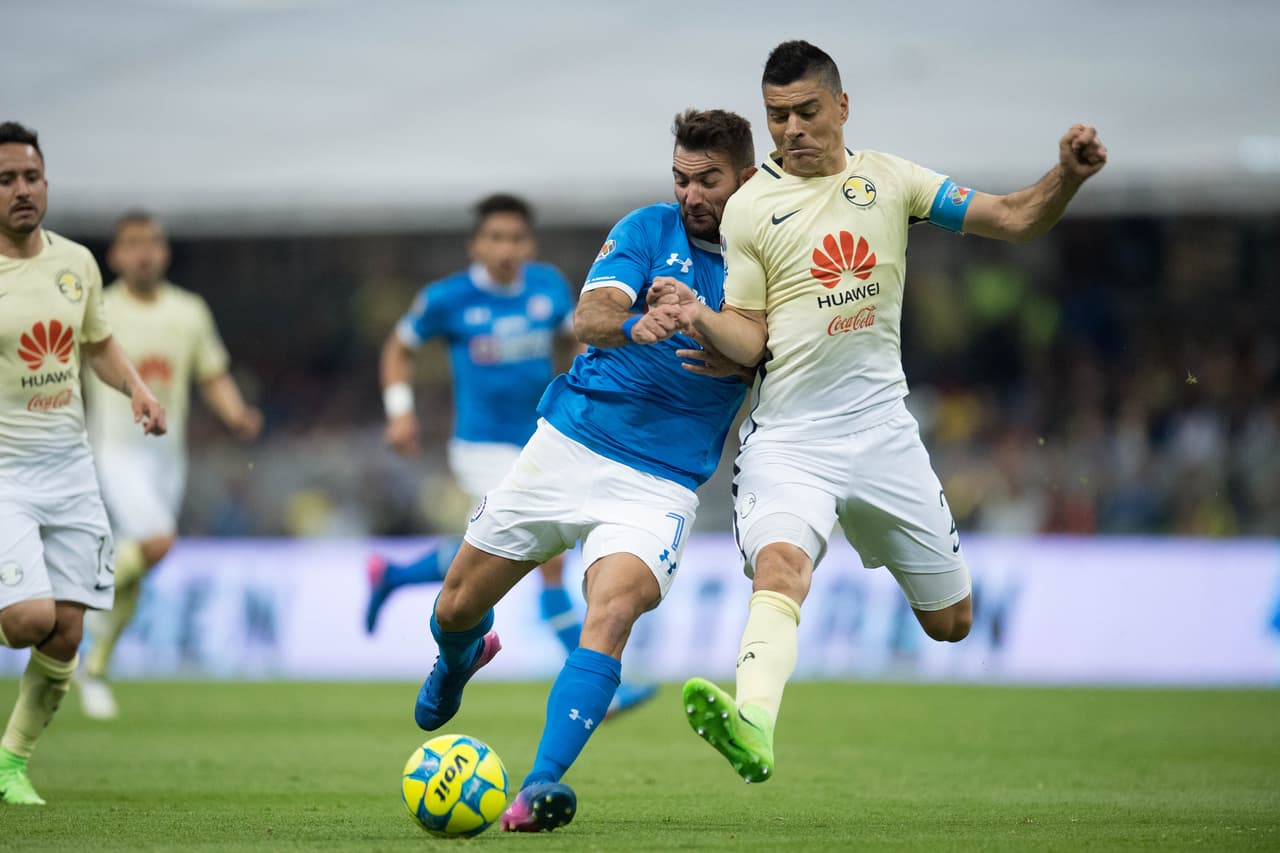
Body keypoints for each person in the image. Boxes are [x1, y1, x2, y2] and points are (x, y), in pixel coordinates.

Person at [657, 40, 1108, 783]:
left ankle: (875, 562)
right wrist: (698, 315)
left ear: (841, 106)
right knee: (781, 568)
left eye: (807, 111)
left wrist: (1066, 176)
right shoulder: (750, 207)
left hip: (884, 436)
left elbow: (1014, 218)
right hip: (791, 441)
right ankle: (754, 722)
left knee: (951, 622)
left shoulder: (893, 180)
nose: (792, 129)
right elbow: (748, 331)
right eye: (777, 117)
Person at [414, 109, 756, 833]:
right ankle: (459, 655)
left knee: (613, 609)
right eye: (681, 179)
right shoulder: (645, 230)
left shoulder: (769, 254)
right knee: (452, 607)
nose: (691, 195)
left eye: (709, 181)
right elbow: (590, 315)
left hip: (658, 481)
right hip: (567, 445)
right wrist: (637, 322)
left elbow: (769, 345)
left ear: (746, 177)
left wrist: (714, 327)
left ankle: (538, 786)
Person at [367, 193, 655, 717]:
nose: (506, 248)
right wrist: (400, 411)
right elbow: (398, 349)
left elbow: (575, 342)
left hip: (543, 438)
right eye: (495, 238)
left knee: (490, 552)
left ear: (530, 243)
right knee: (546, 555)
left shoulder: (547, 286)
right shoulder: (447, 299)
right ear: (476, 244)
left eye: (516, 238)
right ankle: (596, 681)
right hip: (480, 446)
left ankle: (394, 575)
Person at [0, 122, 166, 805]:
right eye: (6, 180)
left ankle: (11, 763)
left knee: (68, 629)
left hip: (70, 468)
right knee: (27, 620)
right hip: (5, 472)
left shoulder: (76, 263)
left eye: (30, 178)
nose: (21, 191)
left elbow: (97, 342)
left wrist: (138, 389)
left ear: (47, 183)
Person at [78, 211, 262, 720]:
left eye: (153, 242)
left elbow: (213, 374)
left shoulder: (188, 311)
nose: (144, 252)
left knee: (138, 573)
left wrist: (236, 414)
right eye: (132, 243)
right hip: (114, 450)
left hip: (167, 459)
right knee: (157, 540)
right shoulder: (99, 308)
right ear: (114, 255)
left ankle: (94, 667)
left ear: (165, 252)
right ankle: (70, 604)